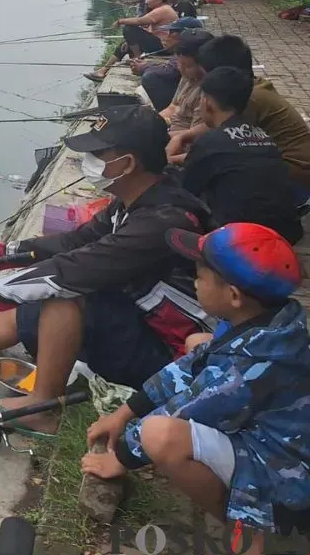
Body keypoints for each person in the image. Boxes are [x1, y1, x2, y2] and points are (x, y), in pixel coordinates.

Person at [0, 106, 212, 435]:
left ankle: (42, 408)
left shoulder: (164, 221)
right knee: (34, 300)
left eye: (97, 154)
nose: (86, 161)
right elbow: (76, 243)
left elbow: (78, 268)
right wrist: (2, 254)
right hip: (140, 325)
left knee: (63, 294)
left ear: (126, 163)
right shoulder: (136, 203)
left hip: (174, 355)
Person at [81, 223, 310, 555]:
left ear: (233, 295)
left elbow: (186, 408)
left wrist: (121, 457)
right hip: (271, 433)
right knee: (197, 344)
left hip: (284, 476)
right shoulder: (265, 320)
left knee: (160, 436)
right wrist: (125, 411)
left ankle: (252, 529)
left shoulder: (247, 370)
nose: (194, 282)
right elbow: (195, 364)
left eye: (199, 276)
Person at [168, 35, 310, 192]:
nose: (204, 81)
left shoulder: (248, 99)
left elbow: (218, 151)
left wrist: (170, 159)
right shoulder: (248, 89)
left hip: (292, 171)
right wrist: (183, 136)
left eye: (207, 75)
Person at [181, 67, 303, 244]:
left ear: (207, 103)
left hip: (240, 239)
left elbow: (187, 190)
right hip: (285, 234)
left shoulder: (210, 141)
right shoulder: (263, 135)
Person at [86, 0, 178, 82]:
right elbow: (149, 28)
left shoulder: (163, 10)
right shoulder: (163, 9)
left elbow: (139, 21)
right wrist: (130, 41)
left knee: (129, 28)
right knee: (124, 45)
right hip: (159, 43)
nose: (147, 1)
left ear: (160, 0)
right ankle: (103, 70)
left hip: (164, 47)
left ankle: (138, 59)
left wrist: (120, 21)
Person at [135, 20, 204, 111]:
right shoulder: (184, 75)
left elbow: (171, 71)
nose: (166, 37)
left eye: (171, 33)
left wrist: (144, 67)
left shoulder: (201, 92)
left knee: (150, 77)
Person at [162, 31, 214, 133]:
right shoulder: (187, 77)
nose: (180, 68)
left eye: (187, 66)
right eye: (178, 62)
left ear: (203, 65)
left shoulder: (206, 92)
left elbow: (193, 134)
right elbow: (172, 107)